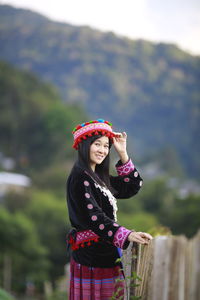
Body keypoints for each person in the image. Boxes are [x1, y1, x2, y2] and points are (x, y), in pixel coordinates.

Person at [66, 119, 152, 300]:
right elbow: (94, 217)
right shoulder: (80, 177)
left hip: (104, 252)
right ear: (84, 145)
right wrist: (127, 235)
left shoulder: (97, 177)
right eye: (97, 144)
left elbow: (131, 186)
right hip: (91, 257)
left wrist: (123, 153)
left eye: (106, 146)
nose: (103, 150)